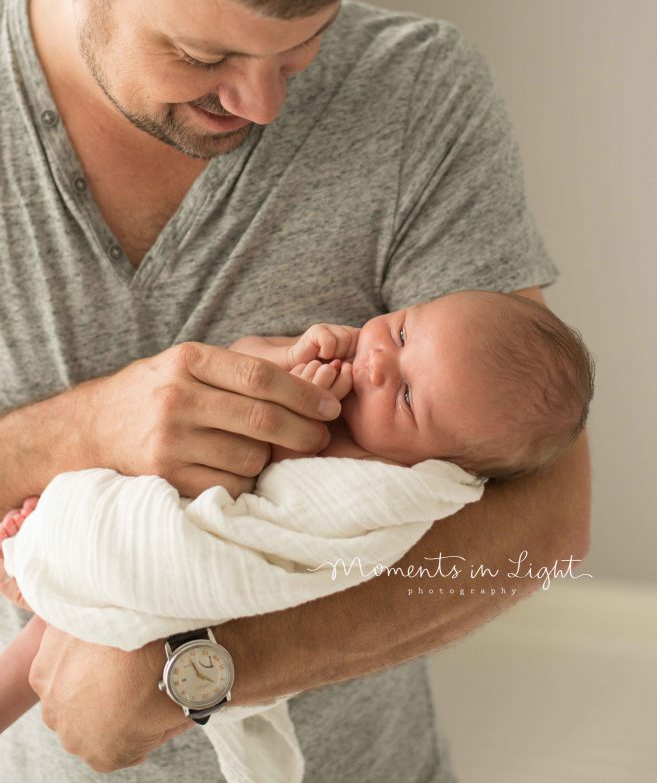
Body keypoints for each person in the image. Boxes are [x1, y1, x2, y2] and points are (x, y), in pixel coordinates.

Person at [0, 0, 591, 779]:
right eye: (201, 56)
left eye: (307, 45)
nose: (265, 107)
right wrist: (88, 428)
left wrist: (203, 669)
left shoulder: (418, 98)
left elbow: (543, 526)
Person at [0, 290, 593, 751]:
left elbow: (278, 498)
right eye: (406, 330)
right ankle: (52, 556)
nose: (382, 361)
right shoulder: (363, 387)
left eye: (409, 397)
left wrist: (304, 432)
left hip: (207, 577)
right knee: (51, 636)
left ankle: (49, 552)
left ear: (438, 463)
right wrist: (294, 364)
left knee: (71, 621)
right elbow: (247, 382)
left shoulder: (381, 478)